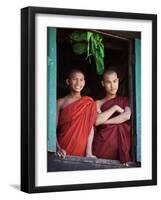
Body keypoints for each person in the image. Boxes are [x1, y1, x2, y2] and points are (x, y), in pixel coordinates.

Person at [93, 69, 131, 166]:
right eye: (108, 82)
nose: (112, 85)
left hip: (120, 147)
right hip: (102, 143)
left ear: (118, 81)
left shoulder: (125, 100)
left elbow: (127, 116)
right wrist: (114, 108)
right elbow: (97, 121)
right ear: (103, 83)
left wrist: (105, 122)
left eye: (114, 81)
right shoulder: (98, 103)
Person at [56, 69, 96, 158]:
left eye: (81, 80)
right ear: (68, 81)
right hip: (64, 147)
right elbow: (51, 129)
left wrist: (89, 153)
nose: (78, 83)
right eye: (74, 79)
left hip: (82, 149)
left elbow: (90, 128)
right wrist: (57, 148)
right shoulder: (60, 102)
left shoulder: (88, 102)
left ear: (84, 82)